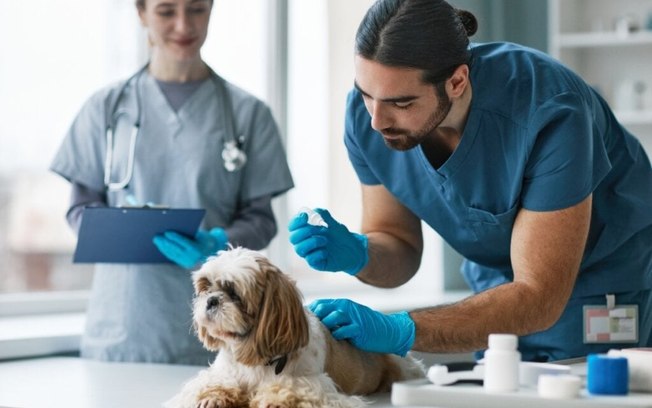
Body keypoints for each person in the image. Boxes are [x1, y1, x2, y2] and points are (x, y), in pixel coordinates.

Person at [289, 0, 652, 362]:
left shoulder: (550, 107)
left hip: (599, 284)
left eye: (400, 103)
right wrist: (360, 255)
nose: (376, 121)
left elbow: (538, 296)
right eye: (366, 93)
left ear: (457, 81)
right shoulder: (366, 117)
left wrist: (402, 330)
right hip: (494, 290)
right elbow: (399, 246)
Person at [50, 0, 293, 364]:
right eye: (166, 11)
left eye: (196, 9)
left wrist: (218, 243)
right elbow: (79, 210)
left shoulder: (248, 114)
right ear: (141, 13)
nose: (184, 25)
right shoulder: (105, 108)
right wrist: (123, 228)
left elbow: (261, 219)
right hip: (123, 331)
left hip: (218, 336)